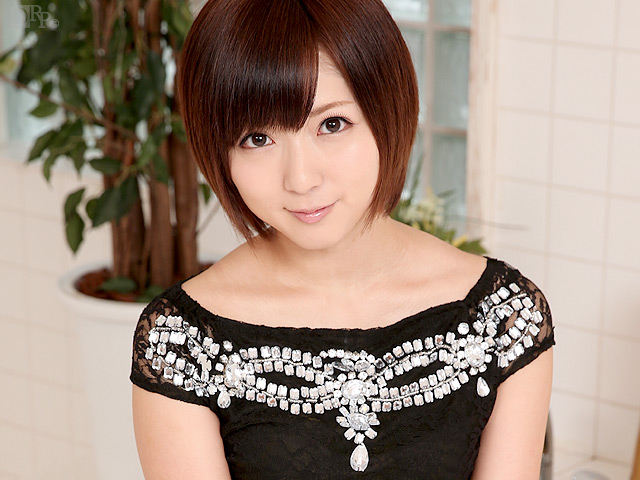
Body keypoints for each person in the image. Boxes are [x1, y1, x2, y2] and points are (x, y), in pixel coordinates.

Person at [130, 0, 555, 478]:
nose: (301, 179)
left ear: (389, 111)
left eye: (332, 125)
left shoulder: (504, 317)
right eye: (257, 138)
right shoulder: (181, 342)